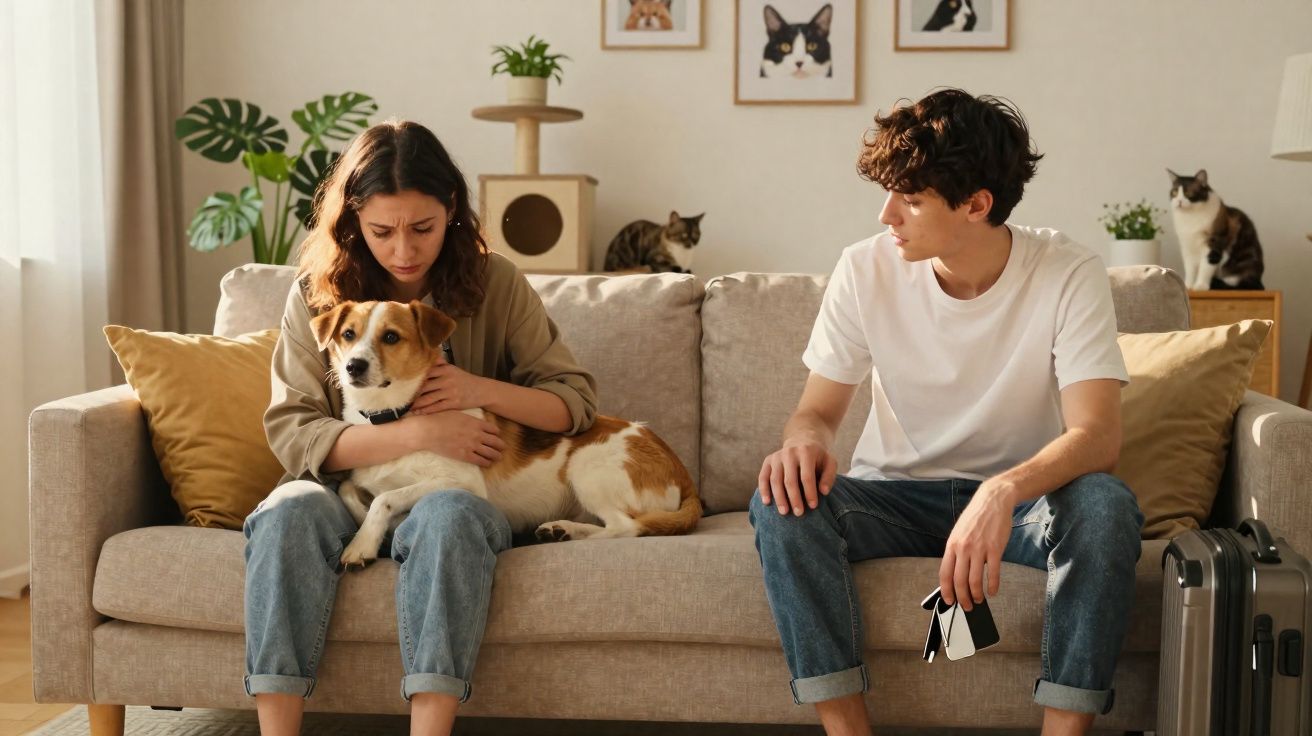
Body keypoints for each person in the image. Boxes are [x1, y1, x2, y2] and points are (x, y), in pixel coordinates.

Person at [749, 88, 1144, 736]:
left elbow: (1097, 436)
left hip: (1022, 507)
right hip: (893, 498)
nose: (885, 216)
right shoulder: (862, 269)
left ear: (975, 204)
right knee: (781, 501)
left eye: (908, 198)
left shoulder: (1067, 271)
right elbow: (816, 411)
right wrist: (805, 443)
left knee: (1104, 506)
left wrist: (1000, 492)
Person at [243, 120, 597, 736]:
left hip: (456, 487)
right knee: (286, 514)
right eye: (382, 231)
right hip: (342, 483)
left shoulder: (496, 282)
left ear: (452, 210)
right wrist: (418, 433)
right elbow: (294, 433)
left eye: (422, 228)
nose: (404, 250)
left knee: (451, 517)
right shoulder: (316, 297)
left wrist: (478, 391)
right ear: (353, 219)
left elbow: (576, 403)